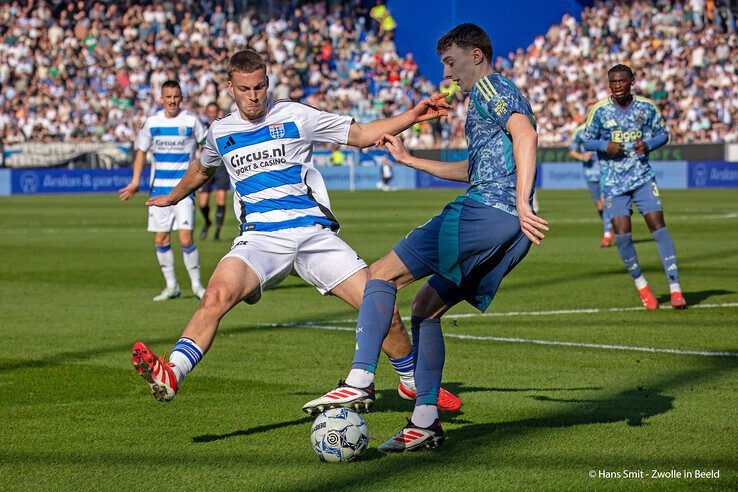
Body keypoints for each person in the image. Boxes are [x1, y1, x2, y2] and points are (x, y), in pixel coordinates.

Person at [130, 49, 461, 412]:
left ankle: (412, 383)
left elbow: (363, 134)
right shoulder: (220, 132)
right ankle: (172, 373)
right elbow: (202, 169)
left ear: (267, 82)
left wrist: (413, 115)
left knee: (380, 303)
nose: (254, 95)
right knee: (216, 296)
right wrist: (173, 197)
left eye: (259, 86)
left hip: (313, 235)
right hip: (260, 239)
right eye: (244, 89)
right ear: (230, 88)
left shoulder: (295, 115)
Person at [303, 23, 548, 452]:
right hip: (508, 230)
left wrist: (523, 201)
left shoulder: (492, 88)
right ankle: (425, 421)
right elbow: (476, 170)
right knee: (426, 307)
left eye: (451, 63)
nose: (448, 74)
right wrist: (411, 160)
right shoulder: (483, 102)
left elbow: (526, 134)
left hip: (486, 213)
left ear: (476, 54)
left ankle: (360, 379)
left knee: (379, 277)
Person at [582, 64, 685, 310]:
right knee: (623, 236)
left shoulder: (647, 107)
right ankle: (642, 285)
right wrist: (605, 146)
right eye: (613, 82)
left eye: (622, 81)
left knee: (658, 227)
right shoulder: (599, 111)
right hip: (613, 183)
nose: (617, 86)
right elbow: (586, 141)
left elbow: (663, 134)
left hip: (642, 178)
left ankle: (675, 288)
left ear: (632, 81)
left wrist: (648, 144)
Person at [119, 80, 207, 301]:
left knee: (186, 238)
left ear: (181, 98)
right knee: (161, 239)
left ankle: (197, 285)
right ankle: (172, 286)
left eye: (176, 96)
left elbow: (207, 145)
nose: (172, 101)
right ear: (161, 98)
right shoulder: (151, 123)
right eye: (168, 96)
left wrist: (202, 173)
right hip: (158, 192)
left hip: (184, 191)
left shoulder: (191, 121)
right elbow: (141, 151)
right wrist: (135, 181)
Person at [569, 123, 613, 247]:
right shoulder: (580, 132)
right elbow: (571, 151)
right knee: (599, 205)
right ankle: (610, 223)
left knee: (604, 203)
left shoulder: (605, 128)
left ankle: (607, 235)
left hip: (605, 171)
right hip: (589, 174)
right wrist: (581, 156)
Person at [197, 102, 230, 242]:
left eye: (214, 111)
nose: (212, 114)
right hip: (205, 167)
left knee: (221, 198)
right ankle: (207, 222)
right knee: (203, 203)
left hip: (220, 167)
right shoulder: (202, 128)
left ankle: (217, 232)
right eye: (209, 112)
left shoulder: (223, 127)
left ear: (218, 112)